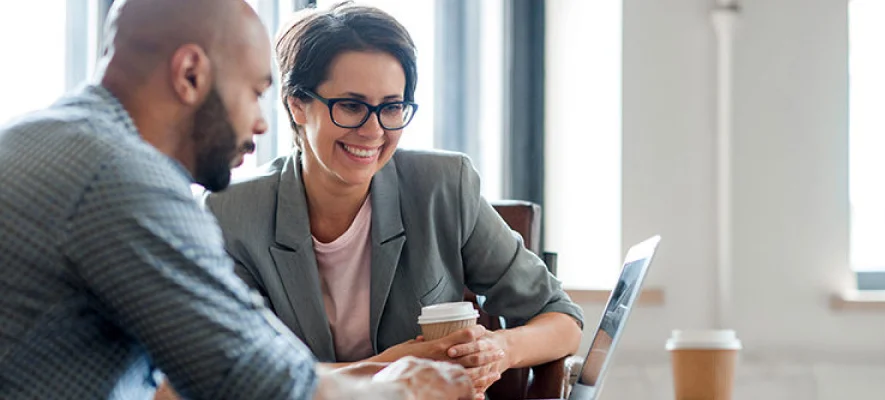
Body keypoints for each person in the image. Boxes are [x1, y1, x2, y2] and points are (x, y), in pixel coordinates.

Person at [0, 0, 473, 399]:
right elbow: (250, 379)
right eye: (254, 92)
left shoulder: (42, 136)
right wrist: (405, 388)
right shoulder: (122, 179)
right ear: (190, 75)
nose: (262, 123)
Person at [202, 2, 584, 398]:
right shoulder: (232, 215)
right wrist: (392, 367)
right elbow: (237, 375)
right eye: (350, 106)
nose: (373, 130)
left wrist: (498, 350)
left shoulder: (443, 188)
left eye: (391, 107)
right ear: (297, 104)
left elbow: (562, 318)